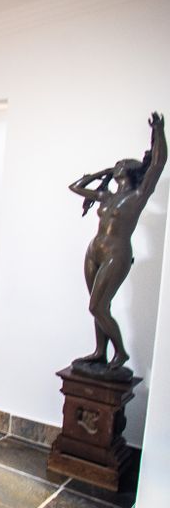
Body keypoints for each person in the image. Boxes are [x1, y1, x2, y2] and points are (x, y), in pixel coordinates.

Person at [68, 112, 166, 375]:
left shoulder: (138, 195)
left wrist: (159, 131)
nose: (119, 163)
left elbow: (157, 165)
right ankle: (100, 352)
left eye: (123, 162)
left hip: (116, 253)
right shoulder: (106, 196)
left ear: (133, 171)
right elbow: (74, 187)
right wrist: (102, 173)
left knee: (97, 306)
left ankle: (120, 351)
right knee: (98, 305)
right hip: (94, 251)